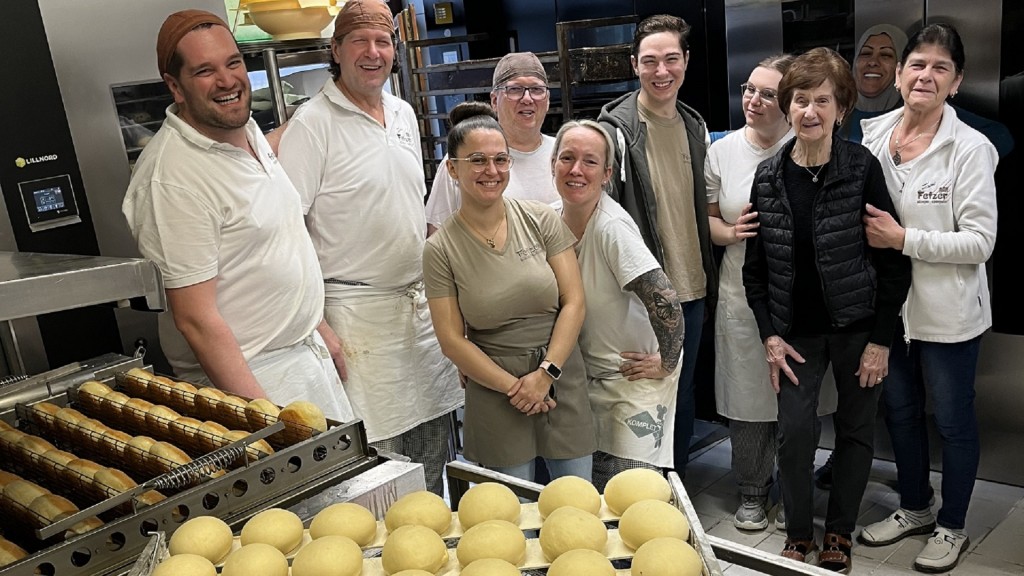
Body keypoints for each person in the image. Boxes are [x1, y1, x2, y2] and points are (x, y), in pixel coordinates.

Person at [121, 10, 353, 422]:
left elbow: (272, 247)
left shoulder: (244, 132)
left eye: (233, 63)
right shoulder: (171, 178)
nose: (227, 80)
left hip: (299, 357)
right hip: (249, 380)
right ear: (175, 86)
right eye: (205, 71)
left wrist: (317, 327)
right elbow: (196, 321)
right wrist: (267, 421)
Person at [276, 0, 462, 497]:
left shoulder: (402, 112)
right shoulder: (312, 124)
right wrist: (317, 324)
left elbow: (408, 208)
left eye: (382, 42)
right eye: (359, 41)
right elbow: (286, 229)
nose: (372, 52)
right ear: (336, 50)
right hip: (355, 320)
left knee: (433, 450)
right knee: (379, 464)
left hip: (418, 314)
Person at [742, 47, 911, 572]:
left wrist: (881, 340)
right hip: (794, 333)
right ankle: (798, 533)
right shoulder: (769, 176)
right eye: (800, 100)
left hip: (859, 328)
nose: (809, 111)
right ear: (787, 106)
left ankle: (839, 531)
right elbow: (755, 271)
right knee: (795, 434)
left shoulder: (861, 167)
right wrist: (770, 336)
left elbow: (892, 262)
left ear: (842, 108)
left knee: (856, 431)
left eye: (822, 100)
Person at [858, 24, 998, 573]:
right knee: (900, 411)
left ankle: (952, 525)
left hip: (948, 315)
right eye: (917, 64)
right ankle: (915, 507)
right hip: (888, 313)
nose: (926, 76)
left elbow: (980, 242)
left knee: (954, 421)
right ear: (899, 74)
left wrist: (904, 239)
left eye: (941, 68)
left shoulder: (970, 149)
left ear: (956, 82)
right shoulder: (873, 138)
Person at [423, 109, 595, 483]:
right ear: (452, 169)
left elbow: (574, 301)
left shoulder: (541, 219)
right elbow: (451, 340)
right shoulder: (440, 249)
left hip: (559, 373)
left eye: (501, 159)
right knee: (511, 510)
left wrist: (546, 374)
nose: (492, 170)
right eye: (477, 160)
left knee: (577, 499)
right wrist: (517, 389)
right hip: (494, 388)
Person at [597, 14, 717, 476]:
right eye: (650, 61)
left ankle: (673, 490)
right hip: (642, 294)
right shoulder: (616, 131)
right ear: (634, 65)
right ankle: (636, 492)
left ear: (686, 61)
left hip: (693, 288)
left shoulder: (695, 125)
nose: (661, 71)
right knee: (639, 394)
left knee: (681, 393)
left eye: (671, 59)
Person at [706, 54, 818, 532]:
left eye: (767, 94)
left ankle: (795, 489)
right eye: (749, 89)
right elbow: (709, 220)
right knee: (747, 396)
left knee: (798, 399)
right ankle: (752, 489)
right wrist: (730, 233)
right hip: (741, 292)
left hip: (801, 297)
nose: (753, 100)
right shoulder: (723, 151)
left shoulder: (809, 146)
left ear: (789, 103)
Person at [555, 120, 684, 491]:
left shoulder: (611, 228)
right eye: (567, 158)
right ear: (553, 164)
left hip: (633, 378)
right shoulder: (549, 220)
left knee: (636, 493)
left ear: (607, 174)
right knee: (594, 494)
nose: (576, 169)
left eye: (590, 161)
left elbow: (666, 299)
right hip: (586, 381)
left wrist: (667, 362)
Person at [426, 52, 560, 236]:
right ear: (495, 100)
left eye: (537, 89)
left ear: (548, 100)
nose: (527, 98)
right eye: (515, 89)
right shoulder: (463, 159)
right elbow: (438, 233)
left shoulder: (564, 156)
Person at [838, 24, 908, 143]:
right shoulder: (834, 113)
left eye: (885, 55)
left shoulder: (913, 121)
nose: (872, 62)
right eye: (866, 53)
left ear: (901, 67)